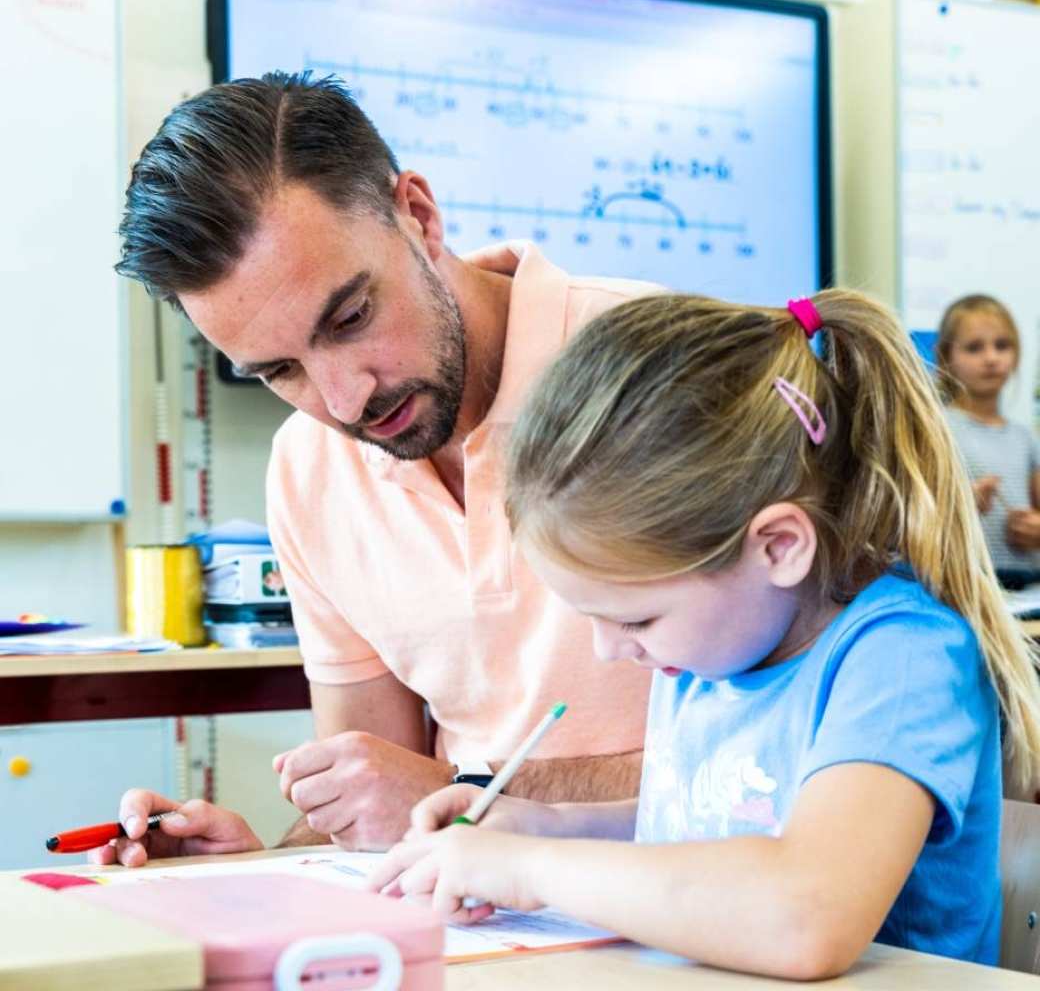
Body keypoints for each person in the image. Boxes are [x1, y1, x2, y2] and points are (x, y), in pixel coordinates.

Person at [368, 292, 1040, 979]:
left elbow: (807, 913)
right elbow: (702, 820)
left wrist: (533, 868)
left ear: (778, 547)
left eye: (636, 618)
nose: (609, 649)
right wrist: (540, 825)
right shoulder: (715, 648)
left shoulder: (902, 657)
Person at [97, 71, 653, 866]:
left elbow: (805, 772)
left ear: (418, 216)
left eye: (351, 317)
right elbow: (378, 800)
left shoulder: (673, 370)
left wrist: (459, 792)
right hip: (480, 932)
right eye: (277, 372)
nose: (345, 400)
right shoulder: (308, 467)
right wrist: (261, 868)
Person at [937, 294, 1040, 586]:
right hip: (967, 583)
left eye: (1002, 346)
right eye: (974, 348)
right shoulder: (938, 429)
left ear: (1016, 355)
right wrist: (959, 506)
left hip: (1028, 585)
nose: (991, 358)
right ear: (946, 357)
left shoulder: (1025, 438)